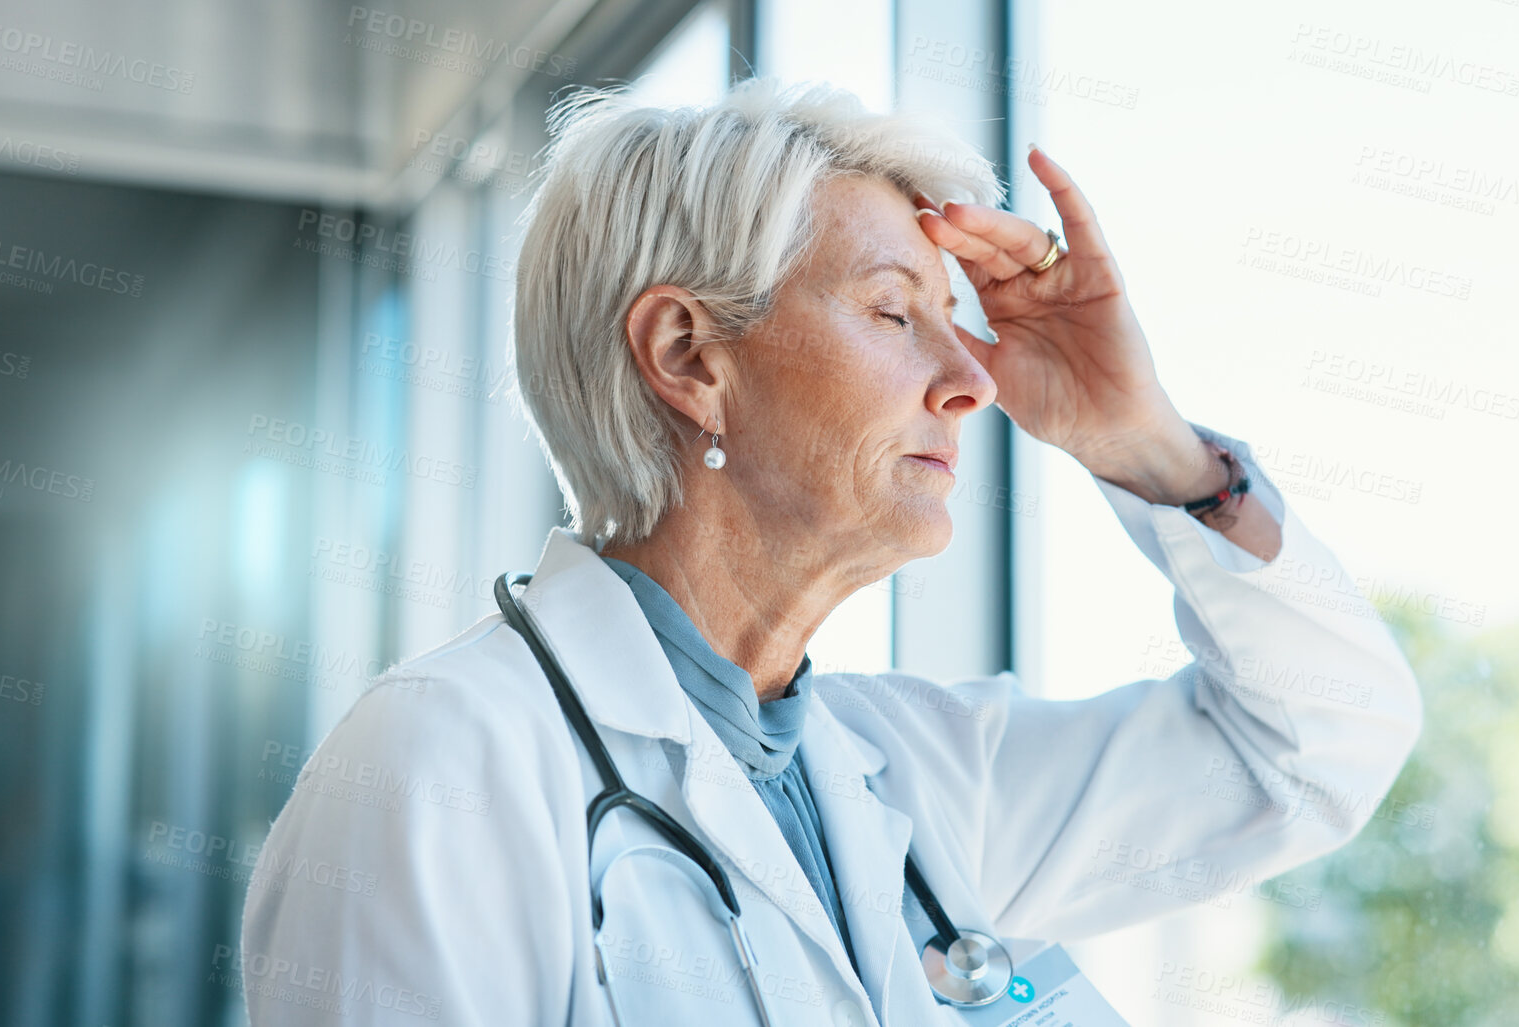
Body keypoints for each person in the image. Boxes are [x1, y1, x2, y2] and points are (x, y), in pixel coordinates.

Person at [240, 76, 1422, 1026]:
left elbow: (1315, 746)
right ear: (691, 356)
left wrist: (1148, 443)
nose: (972, 381)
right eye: (894, 312)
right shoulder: (442, 762)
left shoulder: (916, 771)